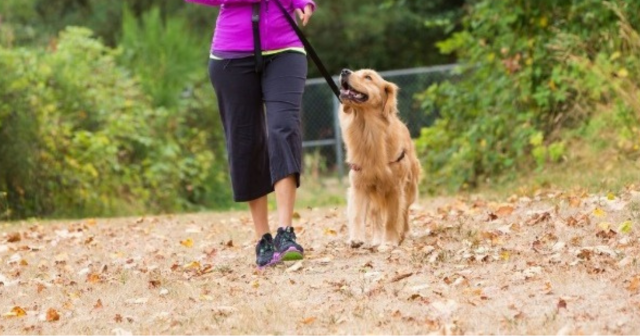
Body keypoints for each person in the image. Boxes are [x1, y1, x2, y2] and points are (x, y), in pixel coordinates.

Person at [184, 0, 315, 268]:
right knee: (245, 140)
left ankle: (286, 232)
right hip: (231, 55)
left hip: (285, 47)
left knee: (284, 128)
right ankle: (263, 238)